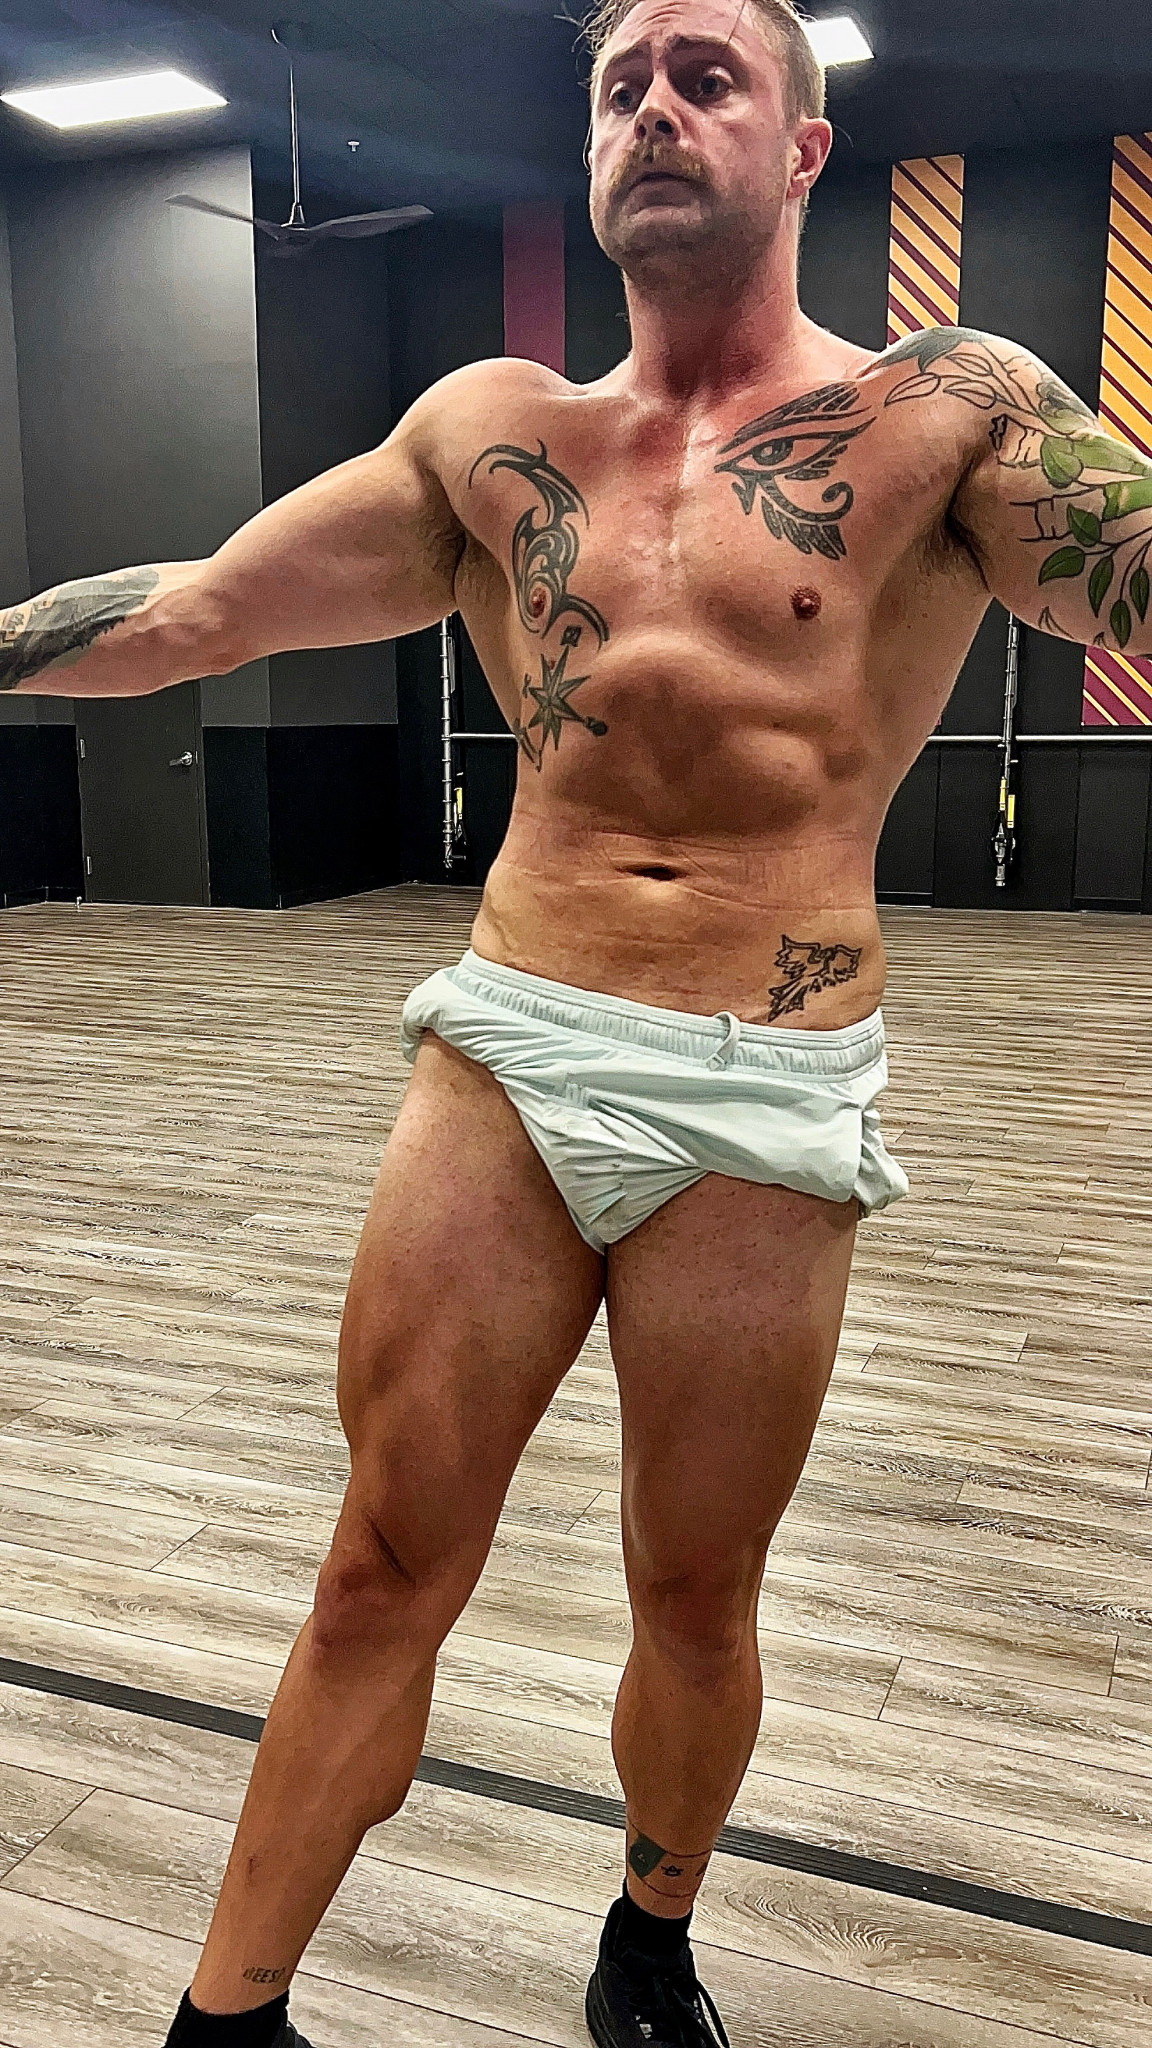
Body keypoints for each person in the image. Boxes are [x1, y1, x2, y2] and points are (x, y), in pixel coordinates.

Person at [6, 1, 1151, 2041]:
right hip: (517, 1038)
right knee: (377, 1564)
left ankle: (648, 1937)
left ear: (803, 146)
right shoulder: (489, 430)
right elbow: (199, 612)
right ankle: (223, 2020)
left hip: (767, 1080)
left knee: (693, 1593)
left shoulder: (945, 410)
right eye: (623, 82)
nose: (656, 109)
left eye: (709, 75)